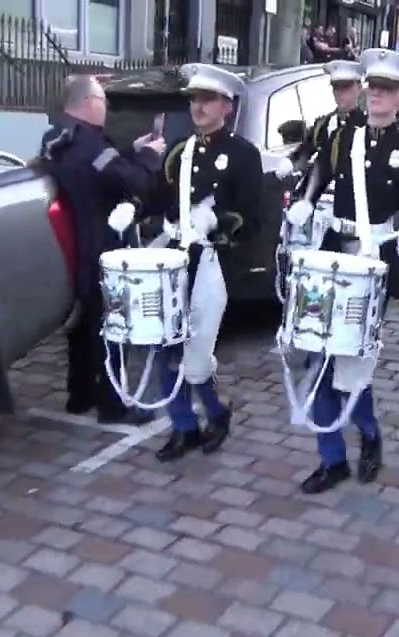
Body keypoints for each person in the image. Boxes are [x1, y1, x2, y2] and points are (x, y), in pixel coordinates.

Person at [284, 48, 399, 494]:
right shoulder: (346, 137)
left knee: (351, 359)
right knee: (318, 353)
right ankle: (331, 458)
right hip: (335, 251)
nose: (377, 95)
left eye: (388, 89)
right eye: (374, 87)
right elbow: (320, 171)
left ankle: (369, 434)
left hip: (374, 260)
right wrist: (306, 200)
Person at [127, 64, 262, 462]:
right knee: (166, 342)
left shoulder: (243, 154)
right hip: (176, 256)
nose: (198, 107)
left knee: (197, 352)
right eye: (194, 99)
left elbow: (252, 220)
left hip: (214, 261)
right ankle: (183, 426)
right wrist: (132, 208)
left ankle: (216, 414)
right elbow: (157, 195)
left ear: (226, 106)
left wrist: (218, 222)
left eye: (207, 99)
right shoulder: (180, 150)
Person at [41, 75, 166, 426]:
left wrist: (131, 151)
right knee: (111, 328)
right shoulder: (91, 144)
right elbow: (133, 181)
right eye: (103, 101)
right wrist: (149, 157)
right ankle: (113, 405)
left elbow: (100, 170)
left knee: (82, 327)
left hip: (73, 247)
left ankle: (79, 395)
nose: (106, 108)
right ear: (89, 103)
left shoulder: (58, 136)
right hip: (100, 247)